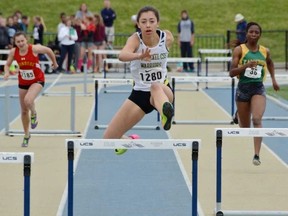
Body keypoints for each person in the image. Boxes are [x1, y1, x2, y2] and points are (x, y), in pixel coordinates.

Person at [103, 6, 175, 155]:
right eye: (144, 21)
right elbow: (122, 55)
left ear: (158, 23)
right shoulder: (135, 39)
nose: (148, 25)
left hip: (162, 92)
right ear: (138, 24)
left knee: (155, 86)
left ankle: (165, 114)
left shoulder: (167, 37)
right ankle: (126, 140)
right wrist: (139, 56)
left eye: (151, 21)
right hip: (139, 94)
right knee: (107, 139)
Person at [229, 22, 280, 166]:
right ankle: (239, 114)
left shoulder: (264, 51)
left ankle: (257, 155)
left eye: (256, 32)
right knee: (245, 128)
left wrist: (274, 79)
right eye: (251, 32)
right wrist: (245, 66)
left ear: (260, 35)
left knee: (257, 120)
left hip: (258, 88)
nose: (253, 34)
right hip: (243, 89)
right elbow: (231, 73)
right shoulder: (239, 50)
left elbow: (269, 63)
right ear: (246, 33)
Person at [3, 31, 58, 147]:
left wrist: (54, 62)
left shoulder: (34, 49)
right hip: (23, 82)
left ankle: (34, 113)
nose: (20, 43)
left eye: (22, 41)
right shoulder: (14, 52)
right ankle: (27, 135)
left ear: (26, 40)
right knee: (23, 111)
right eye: (18, 42)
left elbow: (48, 50)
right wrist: (6, 73)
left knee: (28, 100)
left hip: (37, 80)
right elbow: (7, 64)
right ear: (15, 42)